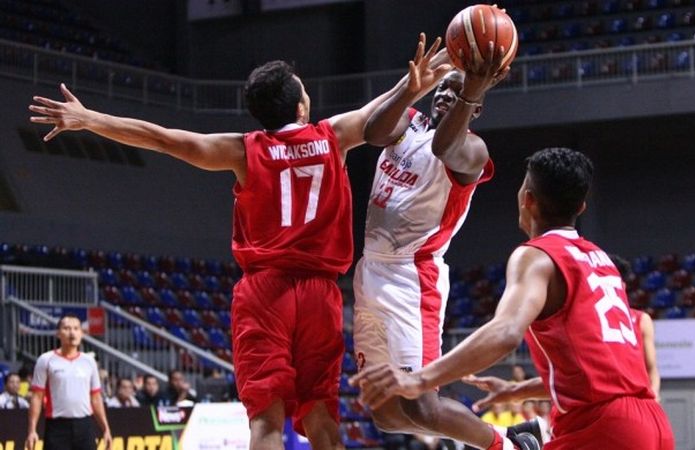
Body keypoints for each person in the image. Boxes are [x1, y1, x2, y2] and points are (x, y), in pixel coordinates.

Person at [29, 34, 440, 450]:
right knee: (321, 418)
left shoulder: (243, 151)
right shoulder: (332, 136)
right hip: (320, 294)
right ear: (301, 105)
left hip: (265, 293)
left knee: (265, 423)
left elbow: (162, 137)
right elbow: (378, 114)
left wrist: (89, 119)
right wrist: (414, 84)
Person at [351, 147, 675, 449]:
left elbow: (506, 333)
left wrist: (420, 378)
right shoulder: (601, 260)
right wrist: (518, 390)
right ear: (581, 207)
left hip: (602, 427)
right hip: (652, 423)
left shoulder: (536, 256)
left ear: (527, 199)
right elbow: (600, 372)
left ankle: (509, 444)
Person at [352, 32, 538, 450]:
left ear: (475, 105)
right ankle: (510, 436)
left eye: (456, 94)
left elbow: (444, 145)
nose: (444, 97)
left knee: (420, 405)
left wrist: (472, 84)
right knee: (384, 412)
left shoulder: (472, 150)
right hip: (371, 270)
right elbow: (372, 130)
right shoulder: (410, 123)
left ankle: (509, 448)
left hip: (410, 279)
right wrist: (410, 89)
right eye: (443, 91)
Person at [26, 314, 112, 450]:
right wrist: (32, 430)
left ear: (82, 334)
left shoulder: (89, 361)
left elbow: (96, 398)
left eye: (76, 328)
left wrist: (106, 428)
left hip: (85, 425)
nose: (72, 332)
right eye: (67, 328)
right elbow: (37, 397)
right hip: (57, 426)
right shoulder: (46, 360)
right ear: (58, 333)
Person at [611, 254, 661, 400]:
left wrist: (655, 394)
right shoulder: (588, 317)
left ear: (622, 285)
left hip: (636, 397)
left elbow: (652, 368)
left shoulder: (641, 319)